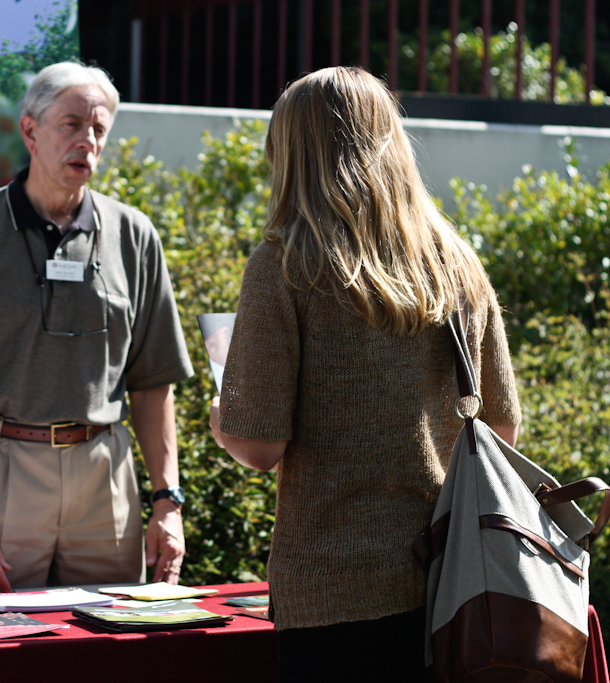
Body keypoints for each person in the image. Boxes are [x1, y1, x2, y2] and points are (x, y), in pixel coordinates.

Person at [208, 67, 522, 680]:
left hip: (332, 594)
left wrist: (224, 420)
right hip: (455, 581)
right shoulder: (455, 264)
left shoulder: (285, 264)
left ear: (292, 152)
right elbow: (501, 430)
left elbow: (258, 445)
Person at [0, 62, 193, 600]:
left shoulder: (135, 237)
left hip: (105, 477)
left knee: (111, 648)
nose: (87, 141)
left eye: (98, 130)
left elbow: (154, 386)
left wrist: (167, 502)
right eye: (71, 125)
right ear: (29, 130)